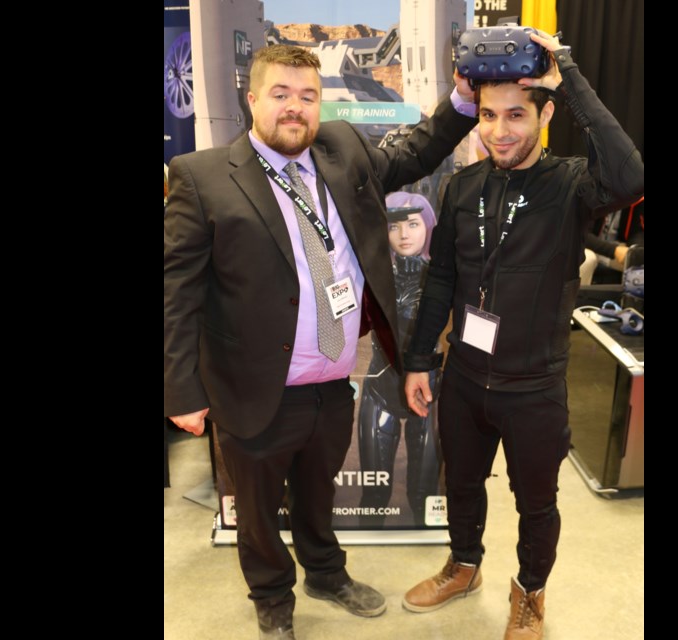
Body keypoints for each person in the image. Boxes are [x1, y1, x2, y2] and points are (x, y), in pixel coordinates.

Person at [164, 45, 477, 640]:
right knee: (256, 513)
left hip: (333, 382)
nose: (295, 108)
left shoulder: (342, 149)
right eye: (280, 94)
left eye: (307, 96)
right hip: (254, 386)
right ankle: (273, 595)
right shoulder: (202, 177)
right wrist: (180, 388)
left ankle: (326, 574)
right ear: (251, 100)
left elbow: (416, 151)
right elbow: (175, 293)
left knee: (316, 493)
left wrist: (462, 97)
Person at [400, 31, 644, 639]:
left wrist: (569, 75)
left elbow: (631, 175)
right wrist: (418, 359)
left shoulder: (572, 187)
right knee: (459, 483)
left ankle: (530, 592)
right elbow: (440, 284)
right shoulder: (461, 189)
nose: (500, 131)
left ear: (545, 114)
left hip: (534, 388)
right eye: (488, 115)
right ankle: (464, 565)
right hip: (464, 377)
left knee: (537, 504)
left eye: (516, 114)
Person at [357, 192, 442, 528]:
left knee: (425, 497)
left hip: (430, 390)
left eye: (413, 223)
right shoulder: (370, 277)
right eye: (394, 225)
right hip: (381, 386)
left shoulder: (442, 276)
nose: (404, 234)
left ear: (428, 226)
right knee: (373, 497)